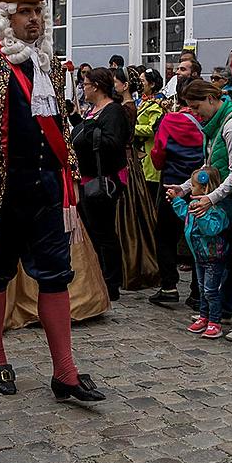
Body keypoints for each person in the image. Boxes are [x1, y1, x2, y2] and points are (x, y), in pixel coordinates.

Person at [0, 0, 106, 402]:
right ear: (6, 17)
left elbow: (59, 126)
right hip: (0, 188)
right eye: (25, 12)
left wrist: (70, 177)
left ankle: (65, 372)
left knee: (56, 276)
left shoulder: (51, 67)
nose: (35, 19)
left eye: (39, 11)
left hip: (46, 188)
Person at [166, 80, 232, 333]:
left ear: (212, 99)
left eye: (196, 105)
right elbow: (206, 169)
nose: (193, 112)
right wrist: (184, 188)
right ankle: (216, 312)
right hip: (218, 201)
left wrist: (209, 198)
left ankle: (224, 313)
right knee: (217, 266)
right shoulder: (212, 127)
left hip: (231, 203)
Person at [71, 68, 130, 301]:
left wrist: (88, 131)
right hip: (87, 178)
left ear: (95, 86)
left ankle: (111, 281)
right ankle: (97, 280)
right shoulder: (92, 110)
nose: (83, 89)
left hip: (104, 180)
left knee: (104, 233)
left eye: (85, 84)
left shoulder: (113, 111)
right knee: (93, 232)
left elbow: (113, 143)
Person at [148, 85, 205, 307]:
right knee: (195, 237)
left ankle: (169, 287)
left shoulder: (170, 120)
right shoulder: (205, 121)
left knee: (165, 236)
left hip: (173, 184)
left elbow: (158, 152)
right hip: (200, 185)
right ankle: (197, 291)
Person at [112, 66, 159, 291]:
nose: (114, 85)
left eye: (116, 81)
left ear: (125, 85)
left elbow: (125, 136)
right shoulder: (129, 106)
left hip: (127, 161)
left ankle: (129, 265)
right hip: (131, 160)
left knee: (128, 214)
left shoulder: (127, 108)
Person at [169, 166, 230, 338]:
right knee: (202, 289)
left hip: (213, 257)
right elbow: (184, 214)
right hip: (199, 256)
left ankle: (215, 321)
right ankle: (204, 316)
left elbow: (211, 230)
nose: (190, 189)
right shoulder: (193, 206)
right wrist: (176, 201)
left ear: (205, 189)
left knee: (211, 290)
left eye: (193, 186)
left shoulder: (217, 211)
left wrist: (201, 215)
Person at [136, 68, 167, 203]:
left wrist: (132, 128)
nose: (139, 84)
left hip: (150, 156)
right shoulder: (142, 101)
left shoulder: (157, 103)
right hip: (141, 157)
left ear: (152, 84)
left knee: (150, 198)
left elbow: (153, 129)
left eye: (142, 81)